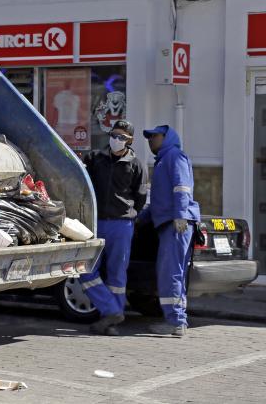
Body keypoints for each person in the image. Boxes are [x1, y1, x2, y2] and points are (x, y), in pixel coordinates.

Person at [80, 120, 148, 336]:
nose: (116, 140)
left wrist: (130, 216)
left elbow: (140, 198)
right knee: (86, 270)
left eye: (121, 137)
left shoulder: (136, 165)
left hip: (122, 224)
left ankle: (111, 322)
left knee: (117, 275)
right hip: (96, 223)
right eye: (113, 135)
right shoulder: (95, 159)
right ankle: (112, 310)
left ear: (130, 141)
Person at [139, 125, 200, 337]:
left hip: (176, 224)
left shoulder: (174, 156)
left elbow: (182, 187)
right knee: (175, 273)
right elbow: (158, 201)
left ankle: (174, 322)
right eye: (148, 137)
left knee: (169, 273)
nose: (150, 141)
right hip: (172, 222)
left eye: (154, 136)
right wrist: (139, 218)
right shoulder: (164, 159)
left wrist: (180, 215)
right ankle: (178, 321)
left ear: (167, 137)